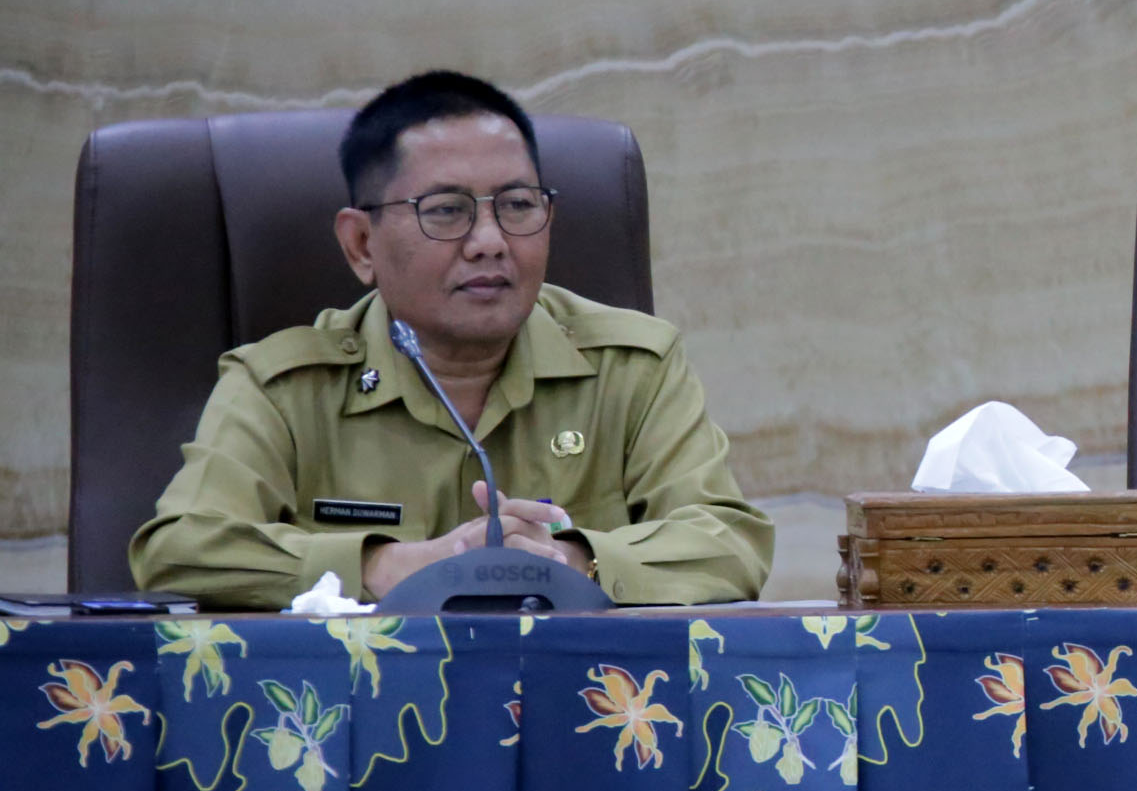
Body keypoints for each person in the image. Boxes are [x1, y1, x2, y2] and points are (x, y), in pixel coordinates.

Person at [131, 72, 773, 608]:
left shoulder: (634, 367)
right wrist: (389, 567)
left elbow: (730, 543)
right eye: (446, 211)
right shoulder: (280, 388)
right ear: (361, 244)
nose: (490, 240)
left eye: (518, 205)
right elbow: (179, 548)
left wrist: (570, 560)